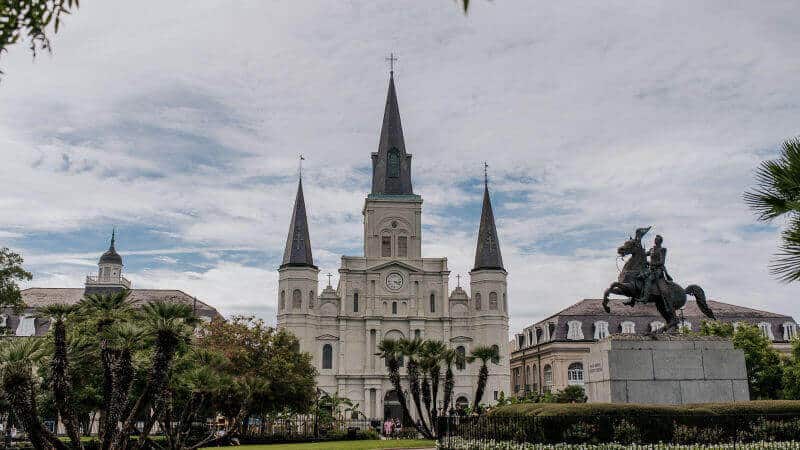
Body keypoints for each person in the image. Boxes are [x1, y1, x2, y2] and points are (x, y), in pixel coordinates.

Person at [638, 234, 671, 303]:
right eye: (655, 239)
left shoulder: (662, 250)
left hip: (658, 270)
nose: (655, 240)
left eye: (657, 239)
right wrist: (639, 245)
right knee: (639, 276)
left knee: (648, 279)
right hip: (650, 269)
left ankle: (645, 298)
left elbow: (662, 262)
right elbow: (643, 254)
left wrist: (650, 263)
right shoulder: (652, 249)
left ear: (660, 241)